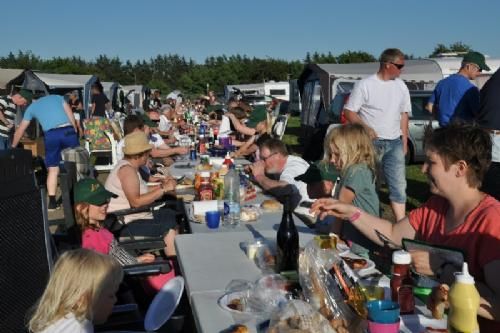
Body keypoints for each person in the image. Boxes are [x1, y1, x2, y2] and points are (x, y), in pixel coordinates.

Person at [311, 124, 500, 332]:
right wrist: (350, 212)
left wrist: (442, 269)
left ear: (460, 168)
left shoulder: (491, 220)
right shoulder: (437, 206)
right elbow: (393, 234)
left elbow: (496, 305)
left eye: (431, 162)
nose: (423, 169)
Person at [74, 178, 175, 293]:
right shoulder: (90, 240)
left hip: (134, 269)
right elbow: (102, 274)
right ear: (81, 208)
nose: (105, 205)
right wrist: (137, 267)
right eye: (99, 203)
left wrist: (137, 260)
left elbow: (115, 257)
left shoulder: (98, 229)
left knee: (178, 265)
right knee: (180, 271)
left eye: (106, 200)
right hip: (132, 279)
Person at [344, 48, 411, 222]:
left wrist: (404, 141)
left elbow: (404, 114)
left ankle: (401, 224)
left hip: (394, 143)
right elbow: (349, 112)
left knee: (398, 186)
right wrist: (364, 127)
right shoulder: (365, 84)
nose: (402, 69)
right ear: (387, 65)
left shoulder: (401, 86)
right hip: (370, 144)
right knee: (369, 185)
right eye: (399, 66)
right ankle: (370, 220)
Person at [105, 131, 178, 256]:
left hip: (128, 218)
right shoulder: (127, 171)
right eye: (147, 153)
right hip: (123, 224)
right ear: (140, 155)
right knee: (169, 223)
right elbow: (136, 202)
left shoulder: (129, 167)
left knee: (171, 213)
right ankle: (174, 261)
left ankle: (175, 254)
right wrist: (163, 189)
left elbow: (141, 191)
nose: (149, 156)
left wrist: (163, 186)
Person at [28, 249, 123, 333]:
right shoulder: (78, 328)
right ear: (84, 297)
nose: (115, 300)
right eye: (111, 295)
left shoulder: (63, 320)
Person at [11, 94, 79, 210]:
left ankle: (52, 202)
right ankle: (77, 196)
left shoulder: (31, 108)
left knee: (53, 169)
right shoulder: (57, 97)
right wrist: (75, 130)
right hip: (67, 131)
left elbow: (20, 129)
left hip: (51, 135)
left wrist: (12, 147)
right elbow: (70, 114)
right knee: (74, 164)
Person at [426, 51, 490, 126]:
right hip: (462, 133)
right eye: (479, 69)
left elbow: (429, 107)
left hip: (444, 132)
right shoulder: (471, 89)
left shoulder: (441, 83)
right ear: (468, 66)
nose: (480, 73)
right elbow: (478, 114)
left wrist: (442, 119)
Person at [249, 138, 311, 205]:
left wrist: (259, 176)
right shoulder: (278, 167)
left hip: (305, 210)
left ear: (277, 156)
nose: (261, 162)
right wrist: (253, 170)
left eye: (264, 159)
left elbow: (284, 189)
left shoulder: (295, 166)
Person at [476, 68, 500, 201]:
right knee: (494, 179)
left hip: (486, 135)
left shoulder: (492, 81)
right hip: (496, 137)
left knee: (489, 177)